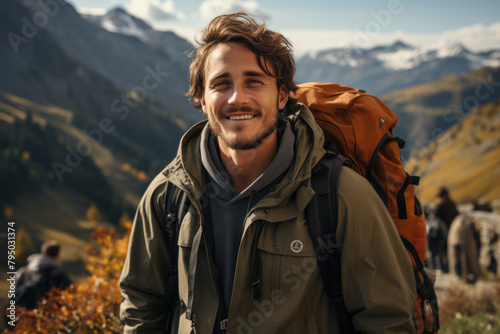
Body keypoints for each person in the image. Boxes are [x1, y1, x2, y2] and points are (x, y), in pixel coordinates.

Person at [119, 12, 416, 333]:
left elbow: (386, 320)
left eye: (254, 81)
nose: (237, 98)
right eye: (221, 84)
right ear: (202, 99)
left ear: (282, 95)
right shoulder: (168, 194)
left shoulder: (340, 194)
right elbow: (141, 302)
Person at [15, 240, 72, 309]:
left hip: (22, 313)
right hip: (45, 314)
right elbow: (71, 293)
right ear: (57, 255)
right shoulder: (58, 274)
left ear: (43, 252)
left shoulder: (23, 270)